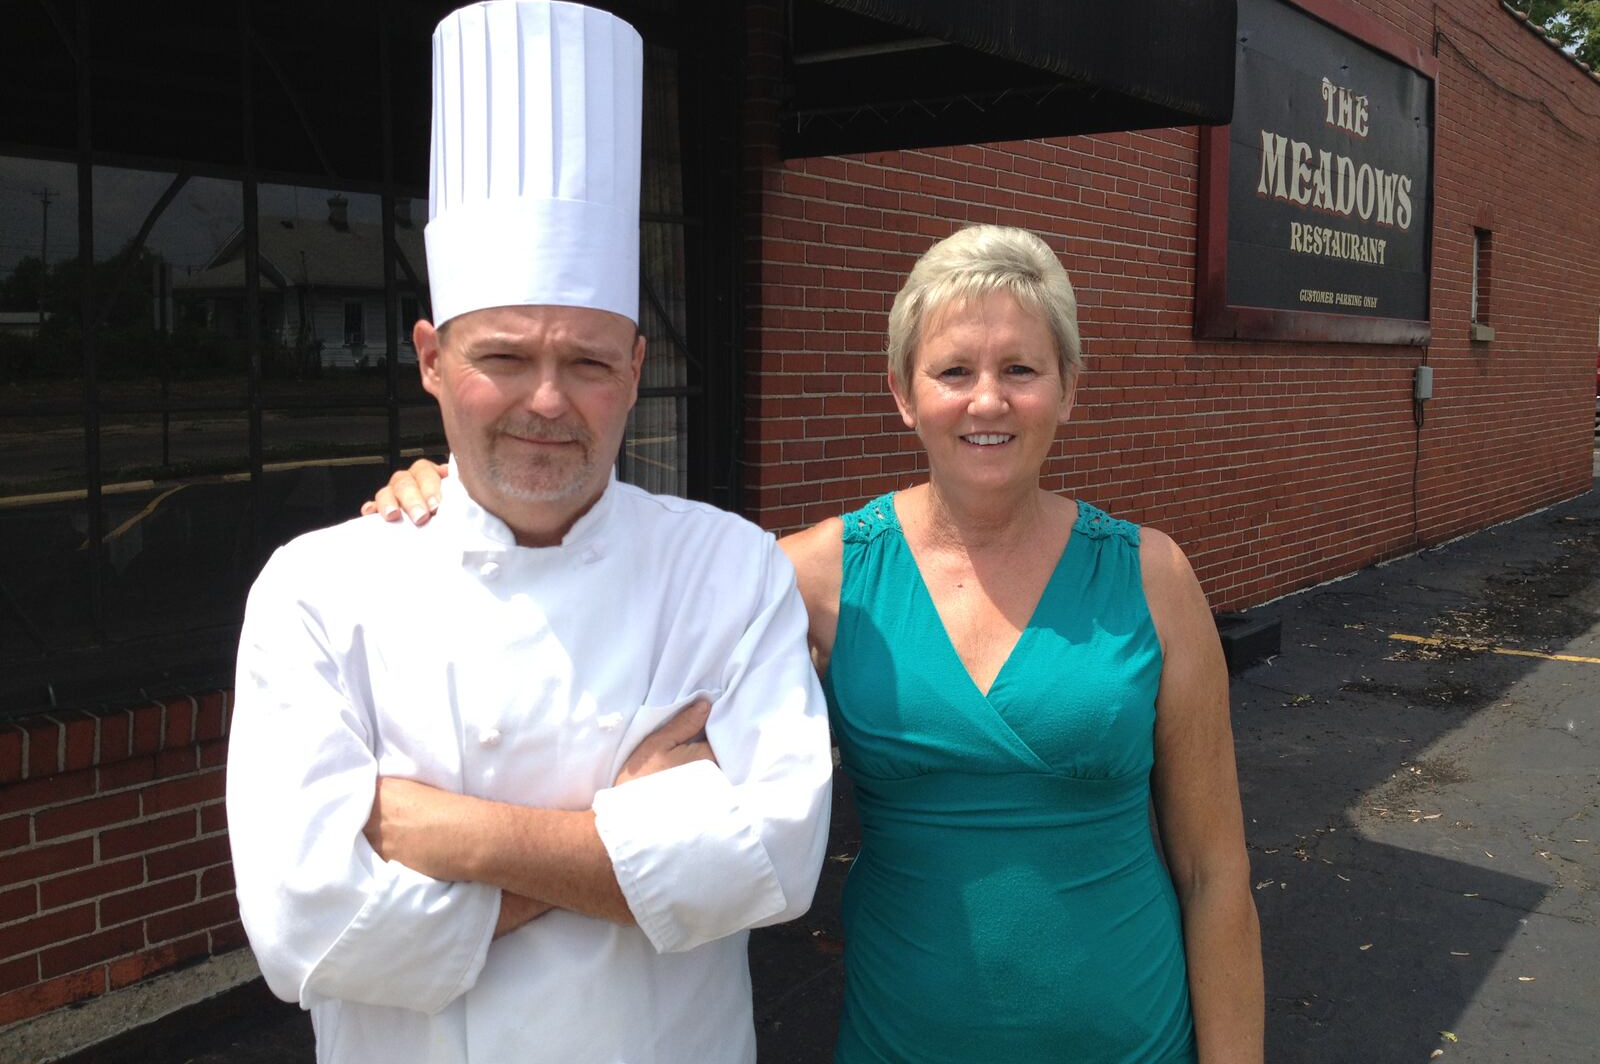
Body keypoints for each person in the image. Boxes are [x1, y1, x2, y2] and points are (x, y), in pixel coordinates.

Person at [369, 225, 1265, 1063]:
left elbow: (1213, 868)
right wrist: (470, 496)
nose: (986, 399)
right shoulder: (817, 578)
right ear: (903, 393)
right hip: (902, 1039)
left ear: (1068, 389)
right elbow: (602, 601)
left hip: (1136, 1040)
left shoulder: (1152, 579)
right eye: (953, 370)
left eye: (1021, 369)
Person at [227, 0, 833, 1064]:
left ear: (637, 373)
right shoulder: (315, 589)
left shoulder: (725, 568)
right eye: (503, 357)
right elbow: (303, 933)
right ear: (428, 359)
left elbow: (776, 863)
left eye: (589, 363)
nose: (547, 401)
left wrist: (458, 835)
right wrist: (637, 849)